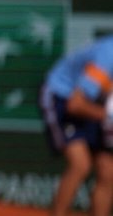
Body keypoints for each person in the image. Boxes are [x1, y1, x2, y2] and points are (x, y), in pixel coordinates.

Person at [40, 37, 113, 216]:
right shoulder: (108, 56)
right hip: (61, 97)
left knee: (109, 171)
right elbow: (75, 105)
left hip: (94, 103)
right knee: (81, 164)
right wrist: (109, 115)